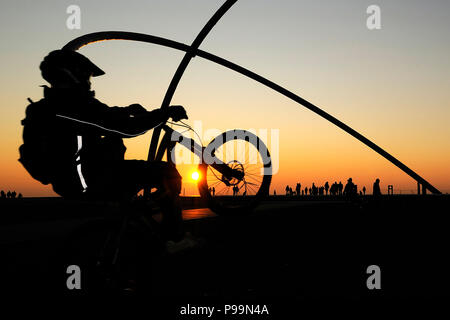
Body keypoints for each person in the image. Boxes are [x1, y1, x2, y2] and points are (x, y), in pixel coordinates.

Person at [19, 49, 190, 244]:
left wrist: (128, 110)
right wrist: (163, 113)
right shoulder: (73, 106)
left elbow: (104, 116)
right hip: (92, 179)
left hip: (70, 181)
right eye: (88, 75)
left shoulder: (49, 106)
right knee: (167, 171)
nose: (90, 81)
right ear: (73, 73)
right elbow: (127, 128)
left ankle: (136, 220)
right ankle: (175, 240)